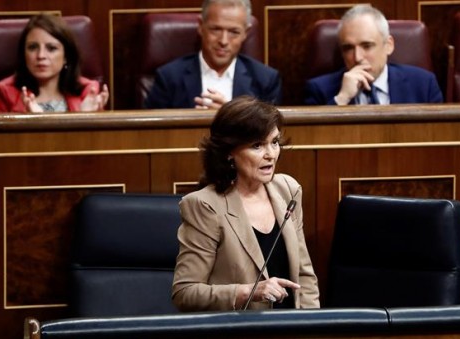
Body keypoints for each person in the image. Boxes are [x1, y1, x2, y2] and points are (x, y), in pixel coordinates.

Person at [172, 96, 320, 311]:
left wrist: (312, 327)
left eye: (275, 142)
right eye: (257, 145)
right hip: (239, 331)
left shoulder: (288, 189)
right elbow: (185, 292)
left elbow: (305, 277)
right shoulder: (205, 205)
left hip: (291, 330)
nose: (270, 154)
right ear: (229, 152)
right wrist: (249, 291)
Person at [144, 0, 282, 110]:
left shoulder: (265, 80)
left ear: (246, 32)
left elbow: (271, 135)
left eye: (234, 32)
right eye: (216, 29)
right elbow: (153, 134)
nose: (223, 41)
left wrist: (231, 117)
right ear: (200, 26)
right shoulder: (169, 77)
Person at [304, 4, 443, 105]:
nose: (358, 57)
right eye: (348, 48)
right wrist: (342, 98)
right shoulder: (319, 90)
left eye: (367, 46)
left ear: (388, 45)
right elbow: (314, 141)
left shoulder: (424, 85)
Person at [0, 13, 109, 113]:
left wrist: (85, 118)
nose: (41, 56)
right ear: (24, 54)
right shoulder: (3, 93)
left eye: (51, 48)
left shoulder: (87, 92)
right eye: (33, 47)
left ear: (66, 56)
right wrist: (31, 123)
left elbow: (100, 141)